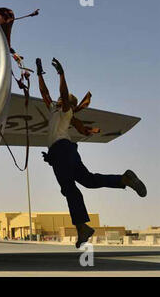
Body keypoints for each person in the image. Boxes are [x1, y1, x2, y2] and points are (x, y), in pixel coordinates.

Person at [36, 57, 147, 248]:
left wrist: (61, 74)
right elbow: (45, 93)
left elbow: (61, 92)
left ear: (68, 104)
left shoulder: (65, 111)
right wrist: (39, 73)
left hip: (63, 150)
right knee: (87, 181)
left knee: (70, 188)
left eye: (63, 98)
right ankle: (123, 180)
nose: (59, 98)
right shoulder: (55, 109)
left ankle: (82, 227)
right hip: (60, 153)